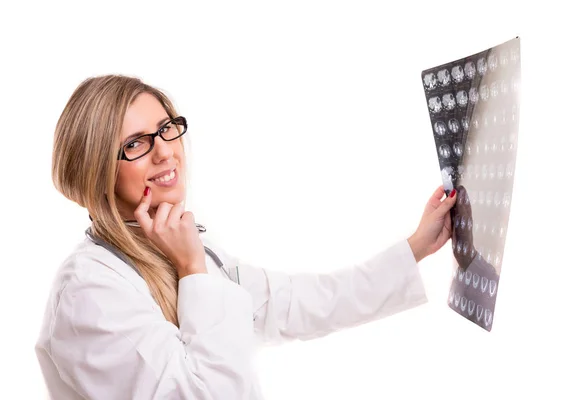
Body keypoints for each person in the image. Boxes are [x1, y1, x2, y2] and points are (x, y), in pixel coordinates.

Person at [35, 74, 458, 400]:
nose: (165, 150)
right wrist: (191, 270)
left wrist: (416, 246)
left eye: (167, 129)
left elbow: (295, 302)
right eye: (136, 144)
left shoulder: (178, 246)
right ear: (95, 169)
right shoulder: (90, 292)